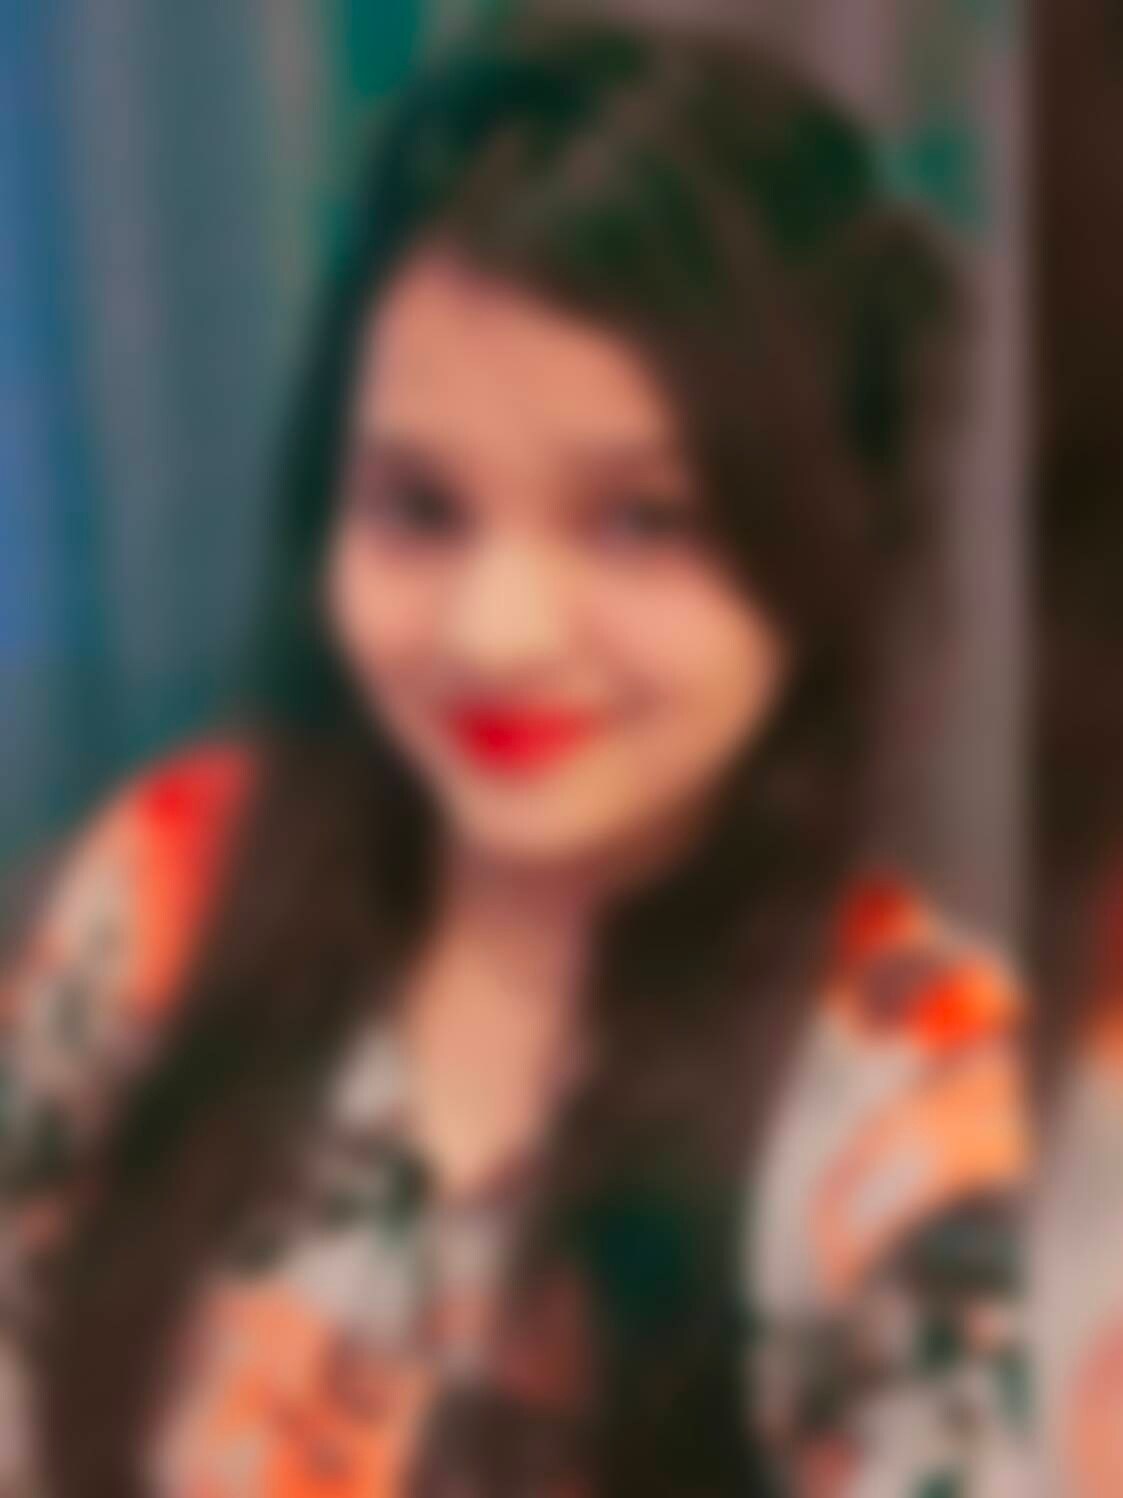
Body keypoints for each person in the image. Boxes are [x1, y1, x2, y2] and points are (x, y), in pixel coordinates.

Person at [0, 14, 1027, 1496]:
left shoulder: (917, 1113)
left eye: (642, 520)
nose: (497, 632)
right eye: (420, 505)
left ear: (828, 549)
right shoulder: (178, 870)